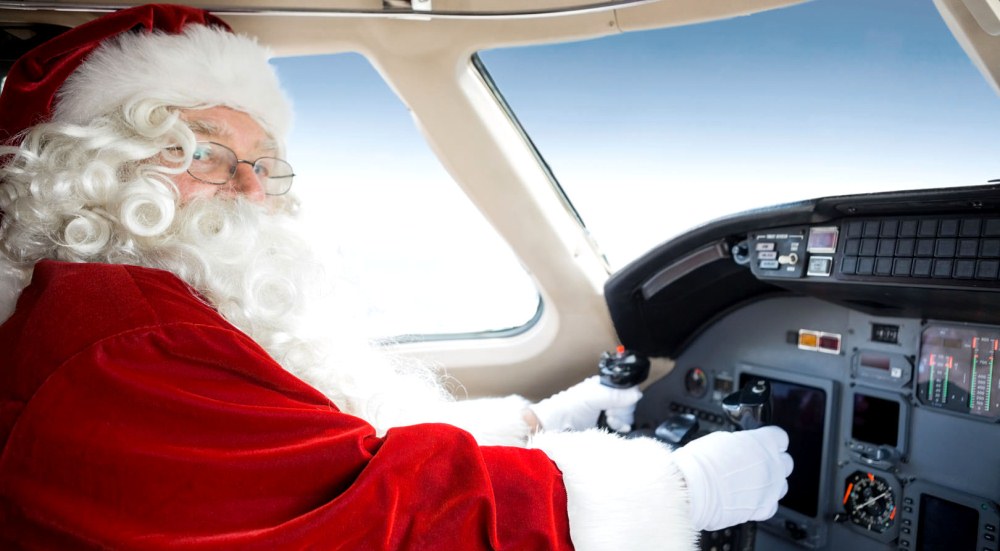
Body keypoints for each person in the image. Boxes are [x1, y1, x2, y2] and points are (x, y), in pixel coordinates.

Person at [0, 5, 793, 549]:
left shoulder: (125, 309)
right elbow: (363, 521)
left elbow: (313, 451)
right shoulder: (122, 337)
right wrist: (676, 490)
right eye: (203, 152)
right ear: (99, 169)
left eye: (263, 163)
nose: (247, 186)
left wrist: (528, 422)